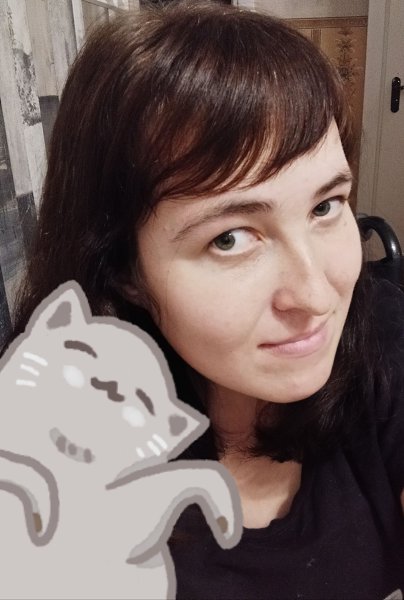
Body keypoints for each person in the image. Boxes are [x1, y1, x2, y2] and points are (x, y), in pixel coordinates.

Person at [3, 1, 404, 598]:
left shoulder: (385, 340)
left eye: (325, 206)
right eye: (230, 238)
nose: (316, 294)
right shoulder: (51, 488)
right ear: (123, 271)